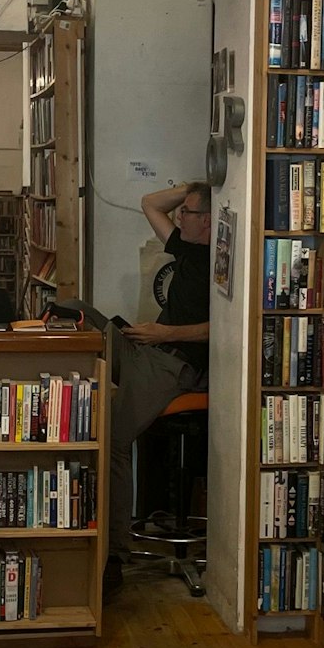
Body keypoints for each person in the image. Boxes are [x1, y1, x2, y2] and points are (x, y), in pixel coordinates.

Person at [101, 182, 213, 590]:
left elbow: (223, 329)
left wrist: (163, 334)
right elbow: (149, 201)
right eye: (181, 212)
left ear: (210, 221)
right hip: (151, 348)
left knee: (113, 438)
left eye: (189, 212)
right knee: (78, 318)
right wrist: (199, 182)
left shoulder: (219, 261)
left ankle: (115, 551)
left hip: (174, 364)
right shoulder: (187, 246)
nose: (179, 217)